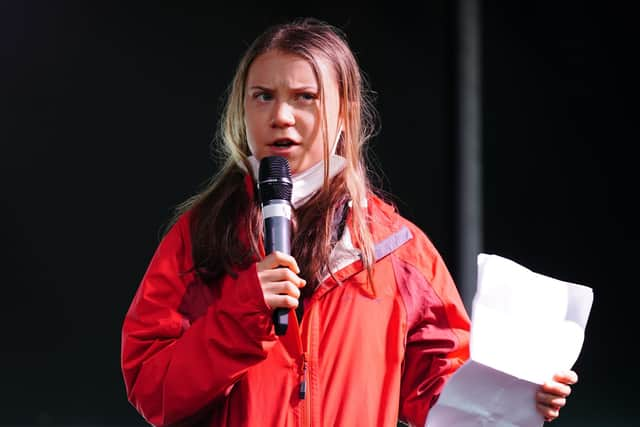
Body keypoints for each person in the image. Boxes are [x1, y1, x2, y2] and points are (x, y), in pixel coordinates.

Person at [120, 17, 578, 427]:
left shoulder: (397, 249)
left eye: (305, 98)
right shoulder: (199, 238)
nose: (281, 116)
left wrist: (518, 396)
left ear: (346, 113)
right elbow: (151, 391)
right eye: (263, 96)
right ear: (243, 109)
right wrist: (243, 313)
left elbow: (443, 396)